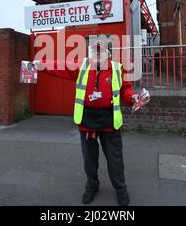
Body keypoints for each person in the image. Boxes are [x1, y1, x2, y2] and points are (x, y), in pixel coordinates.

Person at [34, 39, 138, 206]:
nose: (97, 54)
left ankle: (121, 189)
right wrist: (41, 64)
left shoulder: (117, 69)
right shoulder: (82, 66)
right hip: (87, 121)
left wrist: (132, 97)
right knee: (90, 159)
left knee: (115, 160)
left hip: (110, 121)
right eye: (94, 51)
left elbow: (126, 89)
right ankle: (92, 186)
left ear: (108, 54)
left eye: (101, 51)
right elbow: (60, 65)